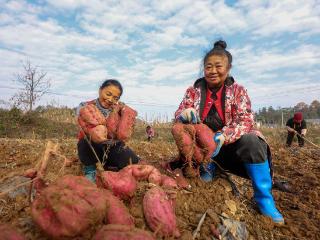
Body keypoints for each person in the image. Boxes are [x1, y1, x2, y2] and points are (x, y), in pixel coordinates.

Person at [172, 40, 284, 223]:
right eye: (208, 67)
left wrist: (224, 136)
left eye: (218, 66)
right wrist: (183, 114)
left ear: (228, 68)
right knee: (179, 128)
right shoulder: (193, 92)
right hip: (203, 149)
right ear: (203, 69)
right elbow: (178, 115)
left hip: (231, 147)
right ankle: (206, 166)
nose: (213, 71)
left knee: (252, 141)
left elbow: (246, 119)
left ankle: (264, 199)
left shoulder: (238, 91)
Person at [76, 79, 140, 183]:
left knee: (132, 159)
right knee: (84, 142)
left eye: (115, 98)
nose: (110, 99)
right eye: (108, 94)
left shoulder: (118, 110)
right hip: (91, 147)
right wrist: (99, 131)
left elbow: (122, 134)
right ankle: (90, 170)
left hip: (110, 147)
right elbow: (83, 121)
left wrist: (125, 116)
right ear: (100, 90)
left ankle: (113, 169)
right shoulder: (85, 105)